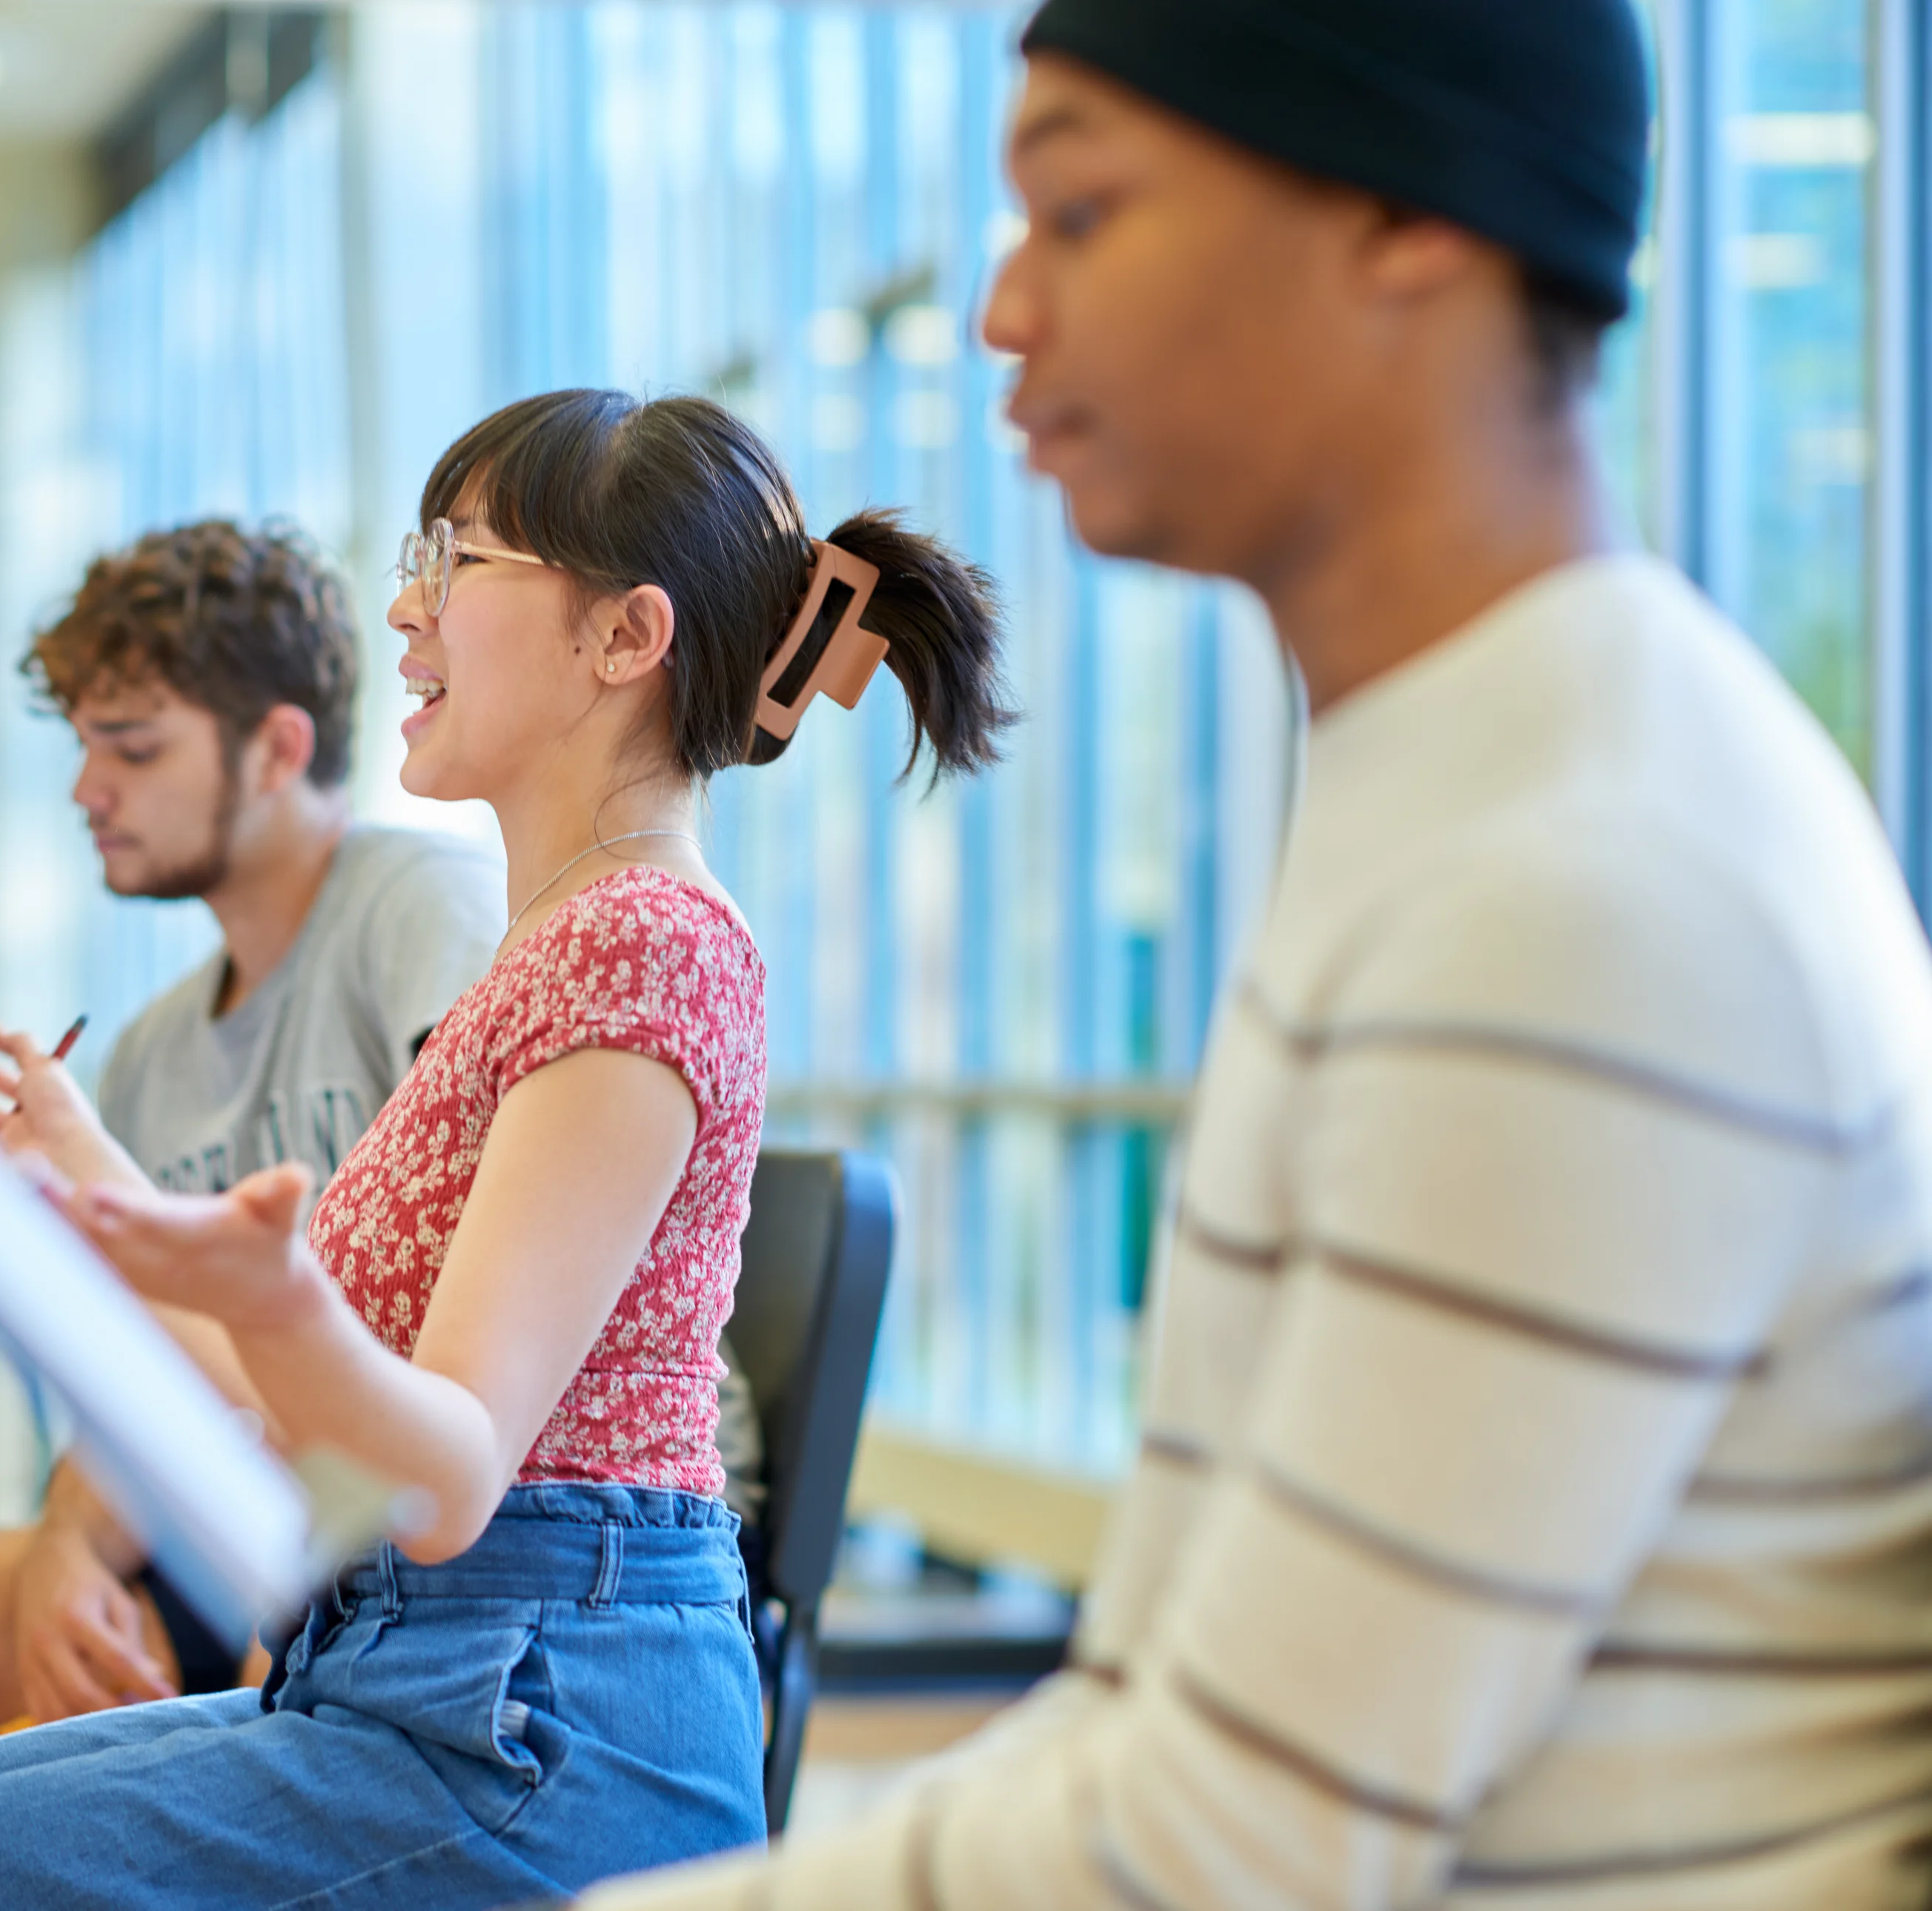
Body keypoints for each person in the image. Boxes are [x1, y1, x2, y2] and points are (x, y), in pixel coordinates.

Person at [588, 4, 1932, 1908]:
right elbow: (1168, 1726)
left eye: (1082, 210)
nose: (1002, 310)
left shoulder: (1582, 881)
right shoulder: (1477, 779)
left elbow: (1233, 1850)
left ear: (1407, 225)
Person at [0, 389, 1014, 1910]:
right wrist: (91, 1200)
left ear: (623, 638)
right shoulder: (559, 940)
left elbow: (446, 1476)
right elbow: (306, 1408)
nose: (407, 605)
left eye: (461, 558)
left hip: (533, 1730)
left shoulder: (644, 947)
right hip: (432, 1677)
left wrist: (268, 1293)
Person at [0, 519, 506, 1784]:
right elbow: (145, 1372)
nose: (89, 789)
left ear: (279, 748)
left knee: (127, 1724)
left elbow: (432, 1372)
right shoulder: (149, 1047)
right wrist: (67, 1548)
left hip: (419, 1540)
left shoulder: (420, 910)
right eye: (86, 745)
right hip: (254, 1521)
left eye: (133, 748)